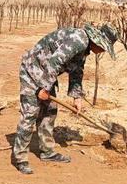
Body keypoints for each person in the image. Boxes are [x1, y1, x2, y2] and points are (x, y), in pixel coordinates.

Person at [12, 23, 117, 175]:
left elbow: (77, 72)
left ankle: (47, 152)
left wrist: (77, 97)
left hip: (45, 73)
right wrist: (45, 87)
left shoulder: (85, 47)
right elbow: (55, 61)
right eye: (103, 47)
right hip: (32, 70)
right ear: (97, 41)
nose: (102, 51)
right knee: (30, 114)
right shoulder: (78, 40)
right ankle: (20, 158)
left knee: (50, 112)